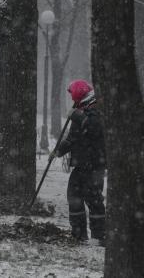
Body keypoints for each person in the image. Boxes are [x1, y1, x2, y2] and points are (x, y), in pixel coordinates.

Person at [50, 79, 106, 244]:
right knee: (74, 196)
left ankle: (99, 236)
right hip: (81, 165)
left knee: (94, 199)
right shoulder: (81, 111)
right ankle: (79, 234)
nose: (72, 101)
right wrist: (58, 151)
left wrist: (77, 116)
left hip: (94, 165)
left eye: (73, 96)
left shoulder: (95, 108)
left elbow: (95, 128)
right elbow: (72, 139)